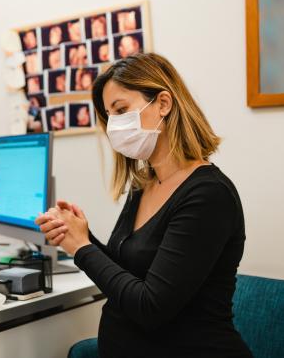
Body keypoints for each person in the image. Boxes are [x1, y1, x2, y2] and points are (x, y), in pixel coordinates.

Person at [36, 54, 252, 357]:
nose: (114, 125)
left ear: (163, 103)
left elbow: (150, 307)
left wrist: (81, 247)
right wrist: (80, 234)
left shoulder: (208, 195)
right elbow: (127, 272)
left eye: (121, 110)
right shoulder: (145, 184)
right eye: (110, 116)